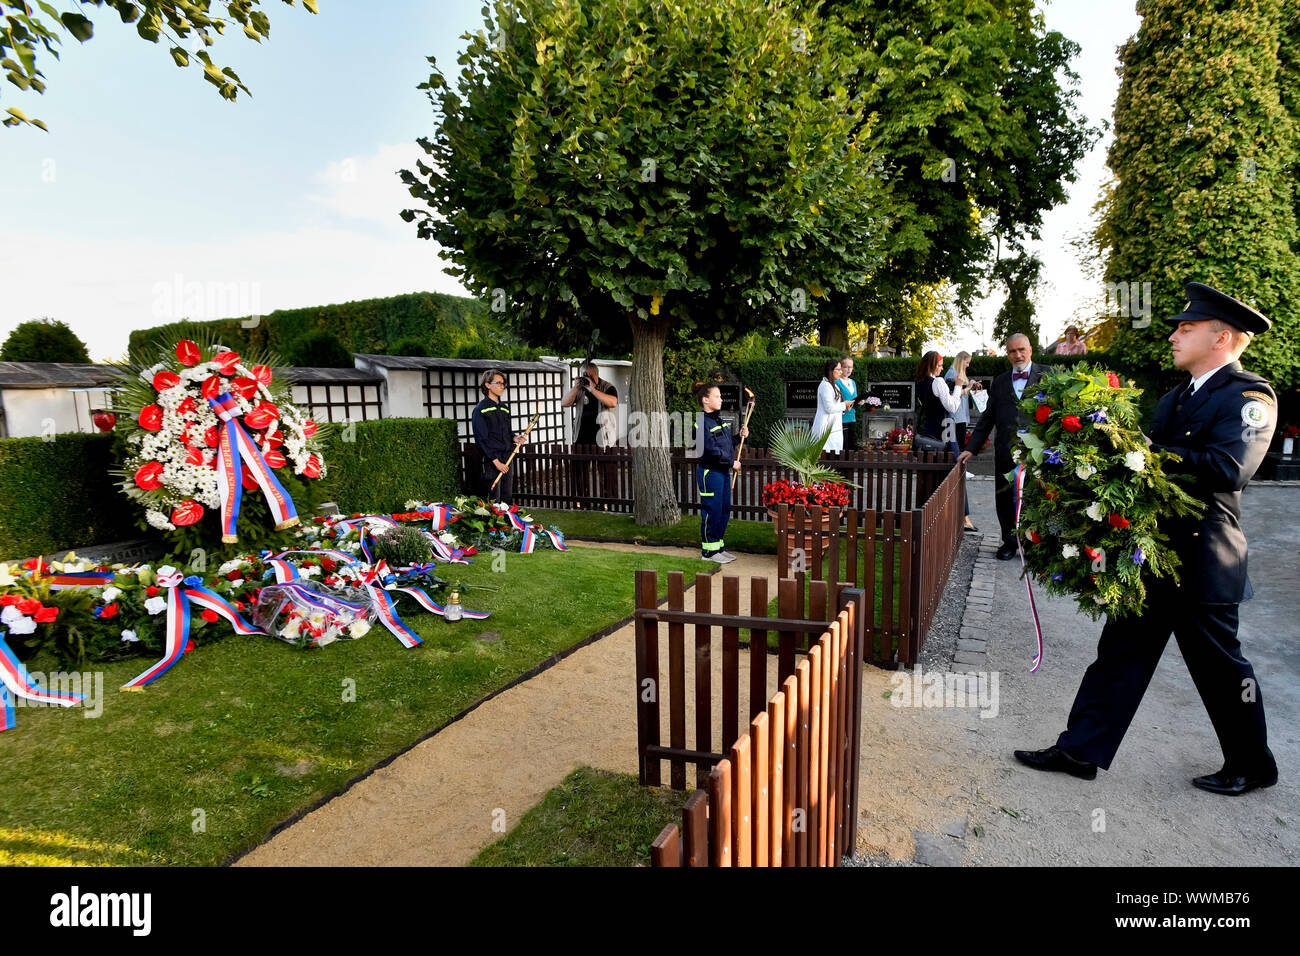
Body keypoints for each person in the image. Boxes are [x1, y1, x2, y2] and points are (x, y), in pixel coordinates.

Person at [1014, 282, 1278, 796]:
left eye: (1187, 328)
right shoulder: (1177, 396)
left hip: (1203, 559)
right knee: (1119, 654)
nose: (1175, 336)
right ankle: (1080, 751)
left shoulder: (1250, 396)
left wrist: (1148, 451)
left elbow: (1230, 468)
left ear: (1222, 338)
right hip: (1152, 553)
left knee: (1223, 671)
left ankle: (1254, 763)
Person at [956, 334, 1047, 559]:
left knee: (1036, 498)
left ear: (1030, 350)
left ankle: (1035, 544)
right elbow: (988, 417)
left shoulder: (1047, 376)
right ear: (1007, 354)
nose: (1018, 355)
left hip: (1039, 454)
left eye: (1021, 350)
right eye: (1012, 351)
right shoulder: (1001, 381)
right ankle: (1009, 542)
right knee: (1005, 498)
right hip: (1006, 452)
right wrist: (971, 447)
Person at [916, 351, 979, 532]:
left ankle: (931, 514)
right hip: (947, 429)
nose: (942, 368)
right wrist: (959, 386)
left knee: (931, 475)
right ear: (933, 365)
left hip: (929, 431)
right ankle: (964, 517)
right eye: (940, 365)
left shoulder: (920, 383)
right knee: (957, 471)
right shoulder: (938, 382)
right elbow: (952, 406)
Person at [695, 382, 748, 563]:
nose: (721, 399)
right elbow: (709, 450)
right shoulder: (700, 421)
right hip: (710, 473)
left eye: (720, 396)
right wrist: (730, 462)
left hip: (722, 472)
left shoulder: (718, 420)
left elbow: (725, 444)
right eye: (717, 396)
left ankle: (718, 547)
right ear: (705, 400)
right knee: (712, 510)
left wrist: (738, 437)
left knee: (724, 509)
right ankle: (708, 552)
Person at [562, 362, 619, 506]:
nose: (586, 378)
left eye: (588, 375)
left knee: (606, 472)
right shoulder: (579, 389)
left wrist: (593, 389)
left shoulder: (608, 387)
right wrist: (576, 387)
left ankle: (607, 502)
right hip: (581, 437)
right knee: (580, 472)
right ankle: (582, 501)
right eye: (583, 375)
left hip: (603, 439)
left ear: (595, 374)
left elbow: (613, 402)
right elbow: (565, 403)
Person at [471, 369, 527, 504]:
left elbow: (507, 432)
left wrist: (515, 438)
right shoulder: (480, 410)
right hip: (492, 461)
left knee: (506, 496)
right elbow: (481, 439)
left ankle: (506, 523)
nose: (502, 386)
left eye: (504, 383)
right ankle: (493, 524)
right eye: (498, 383)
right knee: (493, 498)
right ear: (487, 385)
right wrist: (496, 462)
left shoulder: (504, 408)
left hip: (507, 457)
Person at [811, 358, 854, 453]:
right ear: (831, 371)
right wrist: (844, 404)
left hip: (834, 426)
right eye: (838, 369)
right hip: (825, 426)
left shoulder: (834, 386)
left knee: (834, 454)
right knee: (825, 455)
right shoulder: (825, 386)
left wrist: (845, 409)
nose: (841, 371)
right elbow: (829, 408)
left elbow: (836, 407)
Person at [837, 355, 860, 450]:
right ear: (841, 368)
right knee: (843, 447)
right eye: (846, 367)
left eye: (851, 367)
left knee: (852, 446)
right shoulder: (836, 382)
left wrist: (859, 402)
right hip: (841, 419)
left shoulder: (853, 382)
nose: (849, 369)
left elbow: (855, 404)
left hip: (852, 418)